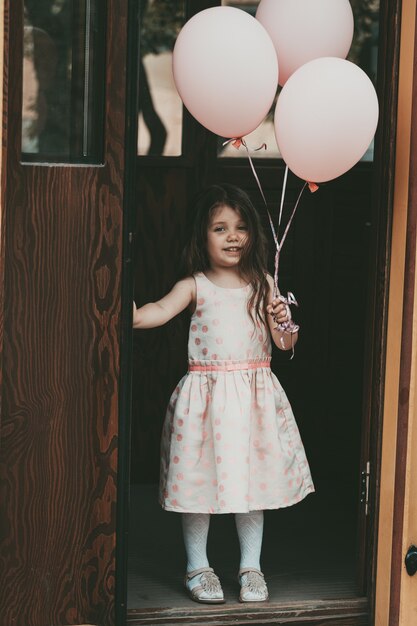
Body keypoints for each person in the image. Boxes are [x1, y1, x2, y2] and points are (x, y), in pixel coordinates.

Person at [132, 184, 314, 604]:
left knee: (251, 485)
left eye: (241, 227)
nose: (234, 236)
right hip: (206, 402)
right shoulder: (195, 284)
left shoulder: (263, 283)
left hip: (253, 402)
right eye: (220, 227)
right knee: (199, 484)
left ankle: (251, 567)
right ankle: (198, 567)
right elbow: (160, 309)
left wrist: (284, 320)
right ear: (202, 237)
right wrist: (131, 314)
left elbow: (285, 346)